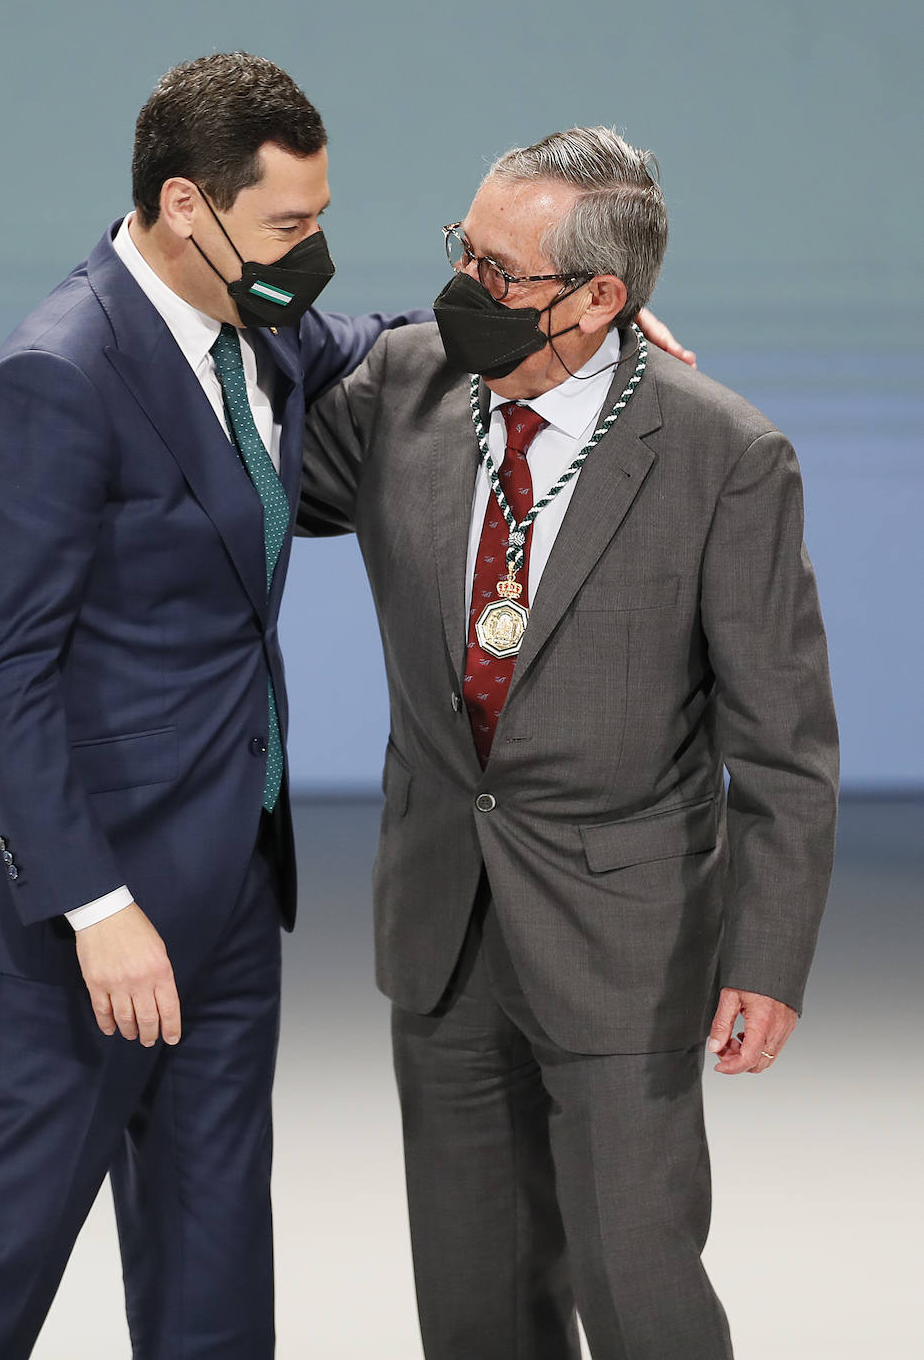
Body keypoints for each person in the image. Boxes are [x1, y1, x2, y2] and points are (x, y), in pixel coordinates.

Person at [0, 51, 429, 1360]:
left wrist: (559, 324)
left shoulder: (261, 325)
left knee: (213, 1256)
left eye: (322, 216)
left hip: (229, 881)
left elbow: (385, 341)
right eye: (291, 223)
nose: (315, 248)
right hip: (90, 917)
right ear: (188, 205)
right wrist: (96, 907)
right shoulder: (56, 373)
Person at [301, 127, 839, 1359]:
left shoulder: (725, 457)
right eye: (463, 254)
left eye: (502, 274)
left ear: (604, 297)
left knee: (639, 1290)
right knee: (474, 1304)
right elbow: (233, 441)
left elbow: (785, 742)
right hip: (442, 921)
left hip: (625, 941)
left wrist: (768, 953)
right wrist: (67, 397)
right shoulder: (404, 389)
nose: (462, 294)